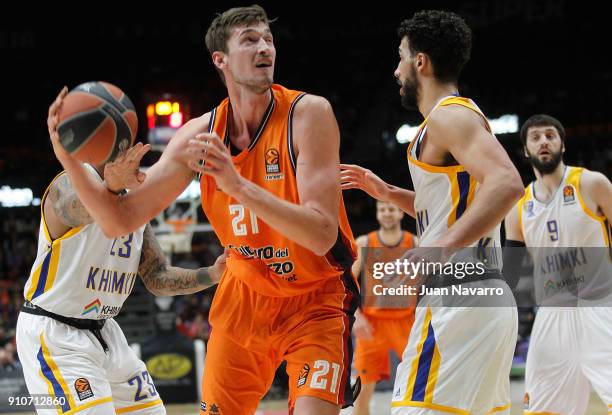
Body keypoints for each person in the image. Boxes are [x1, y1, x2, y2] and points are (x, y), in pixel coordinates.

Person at [46, 5, 358, 415]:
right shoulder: (198, 135)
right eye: (250, 39)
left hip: (315, 298)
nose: (264, 47)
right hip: (244, 297)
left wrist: (238, 186)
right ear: (221, 59)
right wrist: (68, 157)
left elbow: (321, 234)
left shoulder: (308, 114)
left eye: (268, 39)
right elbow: (118, 219)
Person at [341, 10, 524, 414]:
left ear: (420, 62)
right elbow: (448, 206)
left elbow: (508, 184)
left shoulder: (449, 115)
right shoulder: (445, 121)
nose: (395, 70)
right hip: (479, 296)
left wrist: (442, 246)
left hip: (458, 296)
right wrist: (387, 191)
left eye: (401, 57)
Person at [16, 144, 225, 415]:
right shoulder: (67, 183)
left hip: (106, 331)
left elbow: (158, 277)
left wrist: (213, 273)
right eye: (119, 143)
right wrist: (111, 189)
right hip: (56, 332)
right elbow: (76, 209)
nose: (131, 155)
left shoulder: (134, 206)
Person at [504, 114, 612, 414]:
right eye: (536, 137)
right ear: (525, 151)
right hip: (552, 315)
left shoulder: (591, 183)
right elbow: (509, 275)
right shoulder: (518, 207)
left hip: (601, 308)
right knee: (541, 409)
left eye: (550, 135)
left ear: (562, 144)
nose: (544, 142)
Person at [352, 201, 416, 415]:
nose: (387, 213)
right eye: (382, 210)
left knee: (419, 385)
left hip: (407, 322)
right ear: (377, 214)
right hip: (372, 324)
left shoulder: (414, 242)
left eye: (391, 209)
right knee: (360, 393)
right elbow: (346, 281)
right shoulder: (364, 242)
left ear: (400, 213)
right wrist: (355, 316)